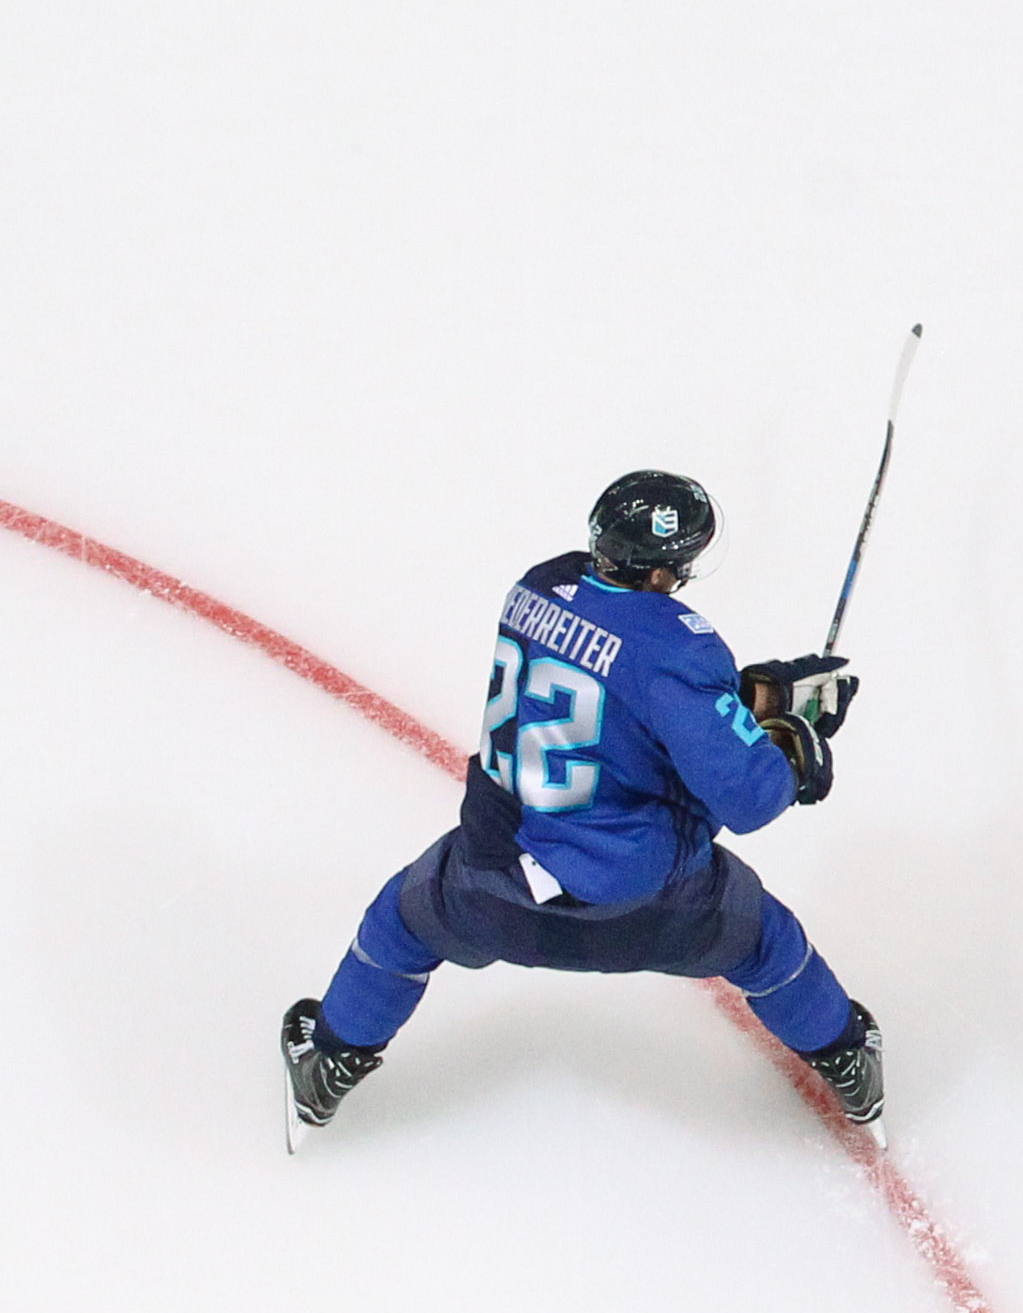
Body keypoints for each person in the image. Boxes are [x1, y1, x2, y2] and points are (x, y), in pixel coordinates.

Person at [279, 472, 878, 1145]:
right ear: (661, 569)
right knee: (769, 943)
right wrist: (792, 746)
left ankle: (328, 1062)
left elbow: (617, 693)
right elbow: (749, 795)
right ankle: (848, 1058)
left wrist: (744, 696)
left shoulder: (537, 587)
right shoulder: (679, 645)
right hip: (649, 909)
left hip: (491, 882)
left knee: (399, 923)